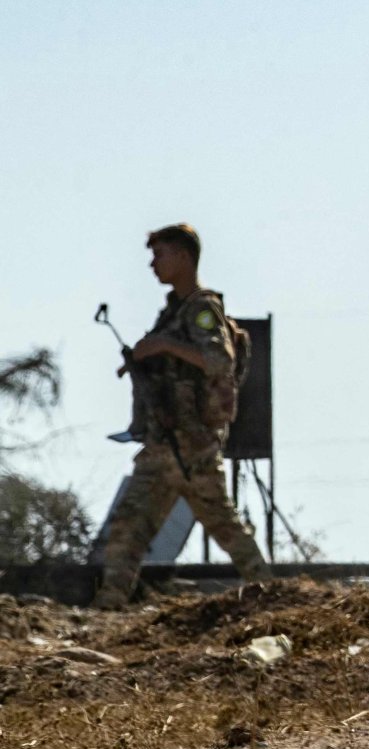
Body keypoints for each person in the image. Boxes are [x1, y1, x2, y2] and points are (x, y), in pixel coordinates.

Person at [91, 224, 271, 609]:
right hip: (163, 444)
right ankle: (110, 603)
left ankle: (273, 593)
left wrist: (162, 345)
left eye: (161, 254)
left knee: (225, 527)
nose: (153, 264)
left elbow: (219, 360)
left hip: (192, 447)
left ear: (184, 258)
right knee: (129, 525)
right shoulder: (173, 313)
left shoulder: (202, 309)